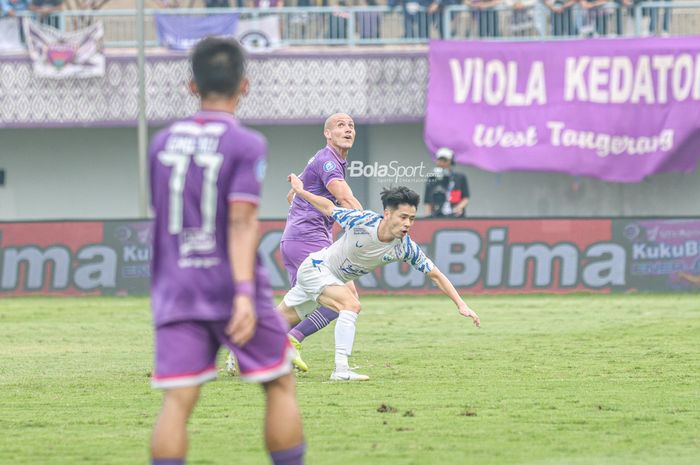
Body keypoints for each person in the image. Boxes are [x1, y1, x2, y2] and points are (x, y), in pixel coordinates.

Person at [148, 37, 304, 465]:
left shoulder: (160, 143)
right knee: (278, 383)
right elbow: (240, 220)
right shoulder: (246, 143)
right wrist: (240, 293)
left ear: (192, 86)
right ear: (245, 86)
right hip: (232, 285)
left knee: (178, 400)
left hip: (177, 287)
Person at [278, 176, 481, 381]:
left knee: (276, 322)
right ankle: (341, 370)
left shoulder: (405, 247)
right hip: (316, 268)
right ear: (387, 213)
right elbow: (329, 207)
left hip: (329, 279)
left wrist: (461, 305)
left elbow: (435, 274)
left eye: (411, 218)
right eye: (402, 217)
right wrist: (301, 191)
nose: (407, 224)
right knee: (351, 304)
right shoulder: (363, 221)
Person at [274, 112, 363, 373]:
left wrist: (307, 207)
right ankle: (289, 341)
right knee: (344, 301)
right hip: (307, 240)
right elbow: (345, 199)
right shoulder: (328, 163)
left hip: (307, 238)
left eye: (351, 126)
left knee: (301, 306)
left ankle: (244, 346)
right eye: (340, 125)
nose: (347, 129)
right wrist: (372, 226)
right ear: (327, 133)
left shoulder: (324, 159)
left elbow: (293, 195)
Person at [423, 147, 470, 218]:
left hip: (456, 216)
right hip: (437, 216)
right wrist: (426, 218)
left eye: (444, 160)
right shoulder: (432, 178)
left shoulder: (460, 178)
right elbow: (427, 202)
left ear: (451, 162)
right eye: (439, 160)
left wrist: (459, 207)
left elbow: (466, 198)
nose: (441, 163)